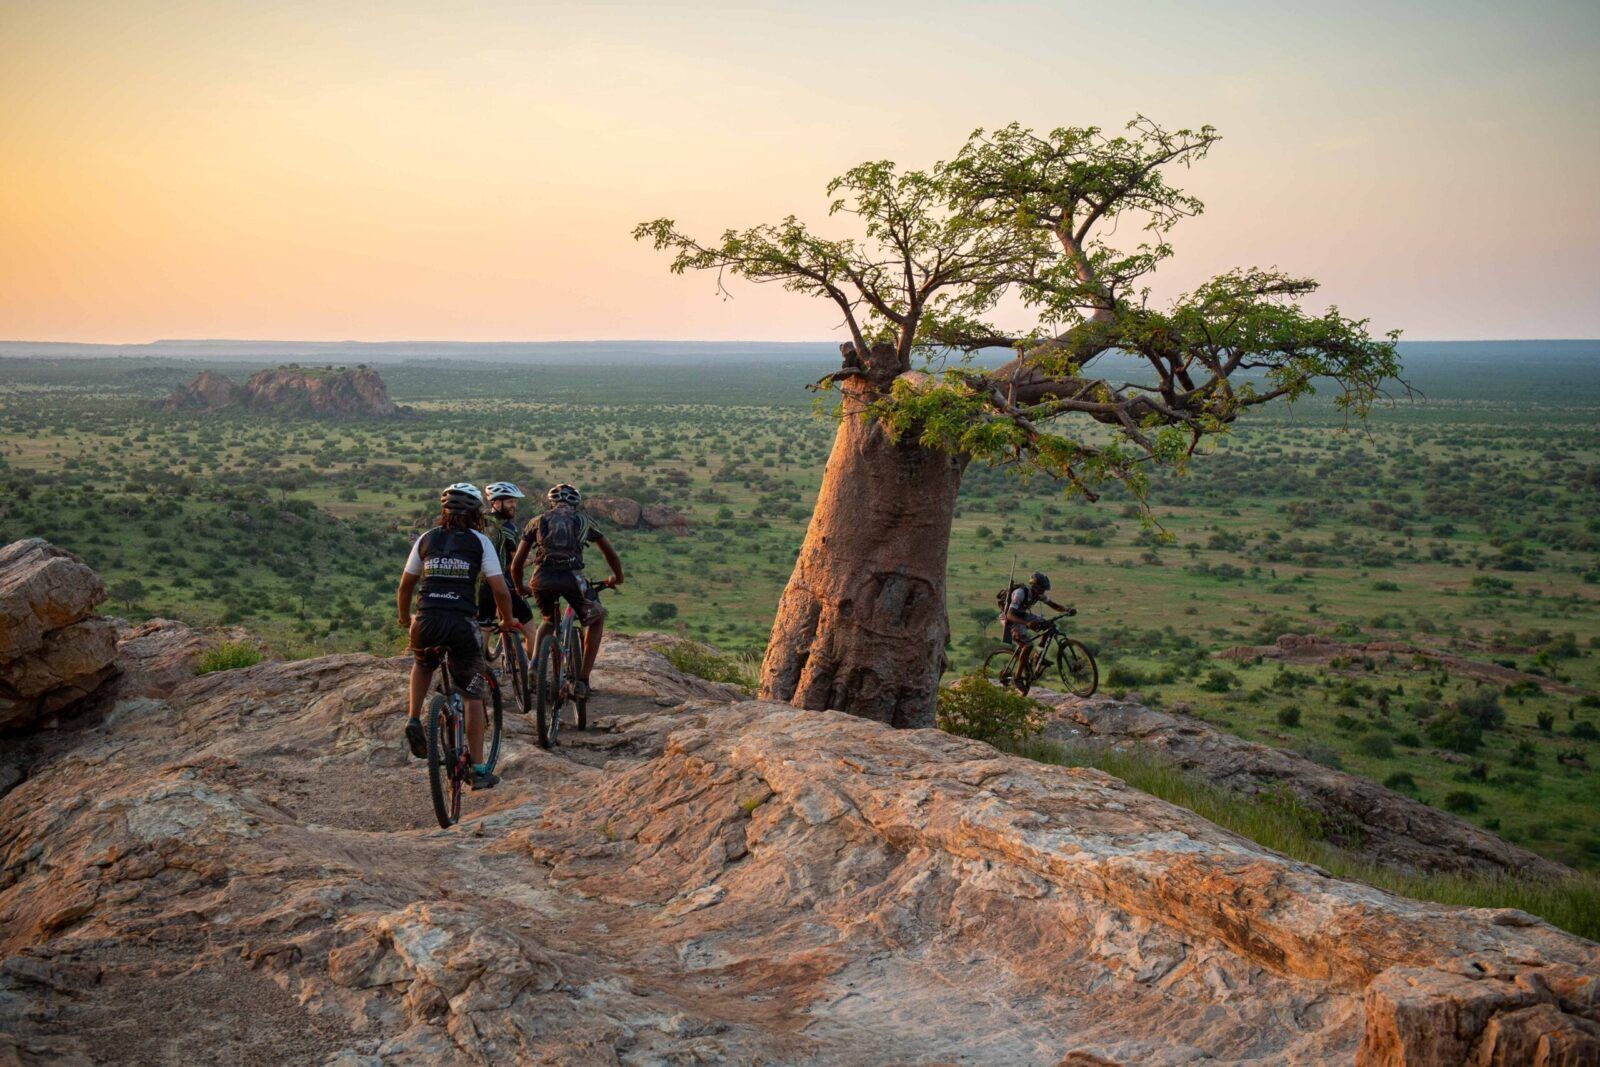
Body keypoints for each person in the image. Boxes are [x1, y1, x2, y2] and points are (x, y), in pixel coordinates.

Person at [397, 483, 517, 789]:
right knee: (472, 697)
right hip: (462, 625)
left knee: (423, 664)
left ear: (444, 512)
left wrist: (403, 618)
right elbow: (499, 588)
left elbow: (405, 586)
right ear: (476, 513)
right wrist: (506, 620)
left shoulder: (426, 539)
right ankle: (477, 769)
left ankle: (413, 717)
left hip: (426, 621)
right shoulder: (479, 542)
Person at [509, 483, 624, 700]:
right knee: (596, 619)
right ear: (576, 503)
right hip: (572, 579)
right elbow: (610, 554)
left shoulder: (536, 521)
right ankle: (581, 681)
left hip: (541, 579)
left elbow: (516, 565)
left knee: (548, 619)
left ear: (551, 502)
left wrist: (519, 587)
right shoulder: (584, 520)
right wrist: (617, 578)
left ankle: (534, 665)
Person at [479, 482, 537, 656]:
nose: (514, 505)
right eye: (510, 502)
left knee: (485, 626)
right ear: (495, 502)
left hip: (480, 583)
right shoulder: (508, 528)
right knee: (530, 628)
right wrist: (532, 560)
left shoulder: (479, 522)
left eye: (514, 501)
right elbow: (515, 562)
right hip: (502, 583)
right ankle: (535, 670)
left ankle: (479, 670)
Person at [1001, 571, 1071, 647]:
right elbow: (1009, 615)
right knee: (1028, 645)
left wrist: (1067, 610)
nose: (1042, 592)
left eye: (1044, 590)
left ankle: (1039, 652)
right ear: (1034, 587)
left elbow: (1054, 606)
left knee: (1050, 626)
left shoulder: (1039, 595)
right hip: (1010, 618)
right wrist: (1027, 623)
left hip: (1022, 615)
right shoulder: (1020, 593)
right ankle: (1022, 658)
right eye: (1041, 589)